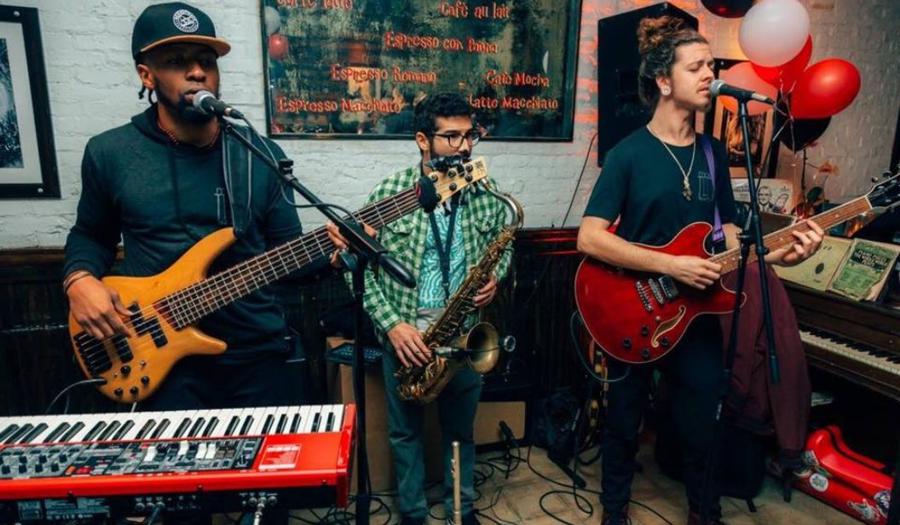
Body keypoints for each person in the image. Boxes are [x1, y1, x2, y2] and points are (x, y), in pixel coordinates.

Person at [576, 16, 823, 525]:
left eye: (712, 65)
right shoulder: (628, 154)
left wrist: (777, 255)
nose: (711, 75)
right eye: (697, 67)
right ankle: (614, 513)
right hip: (632, 310)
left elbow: (727, 236)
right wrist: (671, 264)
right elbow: (591, 237)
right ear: (664, 82)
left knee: (705, 424)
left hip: (695, 315)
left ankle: (704, 514)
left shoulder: (712, 154)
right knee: (623, 422)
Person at [63, 2, 341, 416]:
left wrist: (334, 254)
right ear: (147, 75)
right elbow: (91, 235)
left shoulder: (260, 155)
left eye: (206, 61)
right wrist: (79, 280)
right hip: (160, 359)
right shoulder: (111, 152)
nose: (197, 72)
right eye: (177, 62)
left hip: (258, 356)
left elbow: (289, 256)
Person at [359, 92, 512, 525]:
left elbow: (505, 243)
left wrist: (496, 275)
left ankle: (461, 509)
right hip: (408, 335)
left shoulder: (485, 191)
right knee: (404, 433)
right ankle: (412, 514)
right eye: (451, 137)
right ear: (422, 140)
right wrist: (393, 326)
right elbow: (359, 271)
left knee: (460, 432)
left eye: (469, 135)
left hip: (463, 333)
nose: (464, 147)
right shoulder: (389, 194)